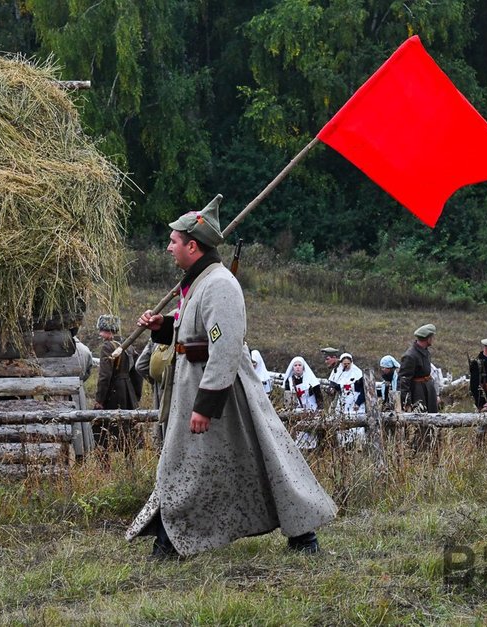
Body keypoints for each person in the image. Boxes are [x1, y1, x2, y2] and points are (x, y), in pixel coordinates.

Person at [125, 195, 337, 559]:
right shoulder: (199, 282)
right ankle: (173, 538)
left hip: (224, 394)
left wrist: (205, 406)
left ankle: (301, 533)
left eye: (173, 241)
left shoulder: (220, 284)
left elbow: (223, 347)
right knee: (201, 463)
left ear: (193, 245)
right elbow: (193, 329)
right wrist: (164, 327)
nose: (168, 247)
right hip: (197, 386)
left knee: (262, 457)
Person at [93, 315, 144, 453]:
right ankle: (130, 466)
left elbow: (105, 376)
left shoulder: (107, 346)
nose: (100, 333)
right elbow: (137, 374)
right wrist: (135, 396)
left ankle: (105, 470)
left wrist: (99, 400)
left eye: (101, 330)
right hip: (128, 392)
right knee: (129, 430)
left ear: (106, 329)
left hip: (113, 393)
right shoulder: (129, 346)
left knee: (103, 432)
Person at [283, 356, 323, 449]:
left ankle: (312, 450)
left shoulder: (311, 379)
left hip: (312, 409)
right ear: (292, 367)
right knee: (299, 434)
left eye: (299, 365)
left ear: (303, 367)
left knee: (311, 433)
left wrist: (320, 409)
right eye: (295, 365)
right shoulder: (289, 382)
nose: (297, 367)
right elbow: (287, 399)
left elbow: (319, 396)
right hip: (297, 410)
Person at [398, 324, 439, 412]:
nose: (433, 339)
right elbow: (404, 381)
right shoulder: (410, 356)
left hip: (428, 390)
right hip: (418, 393)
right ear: (428, 339)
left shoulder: (425, 351)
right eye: (432, 337)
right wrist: (407, 403)